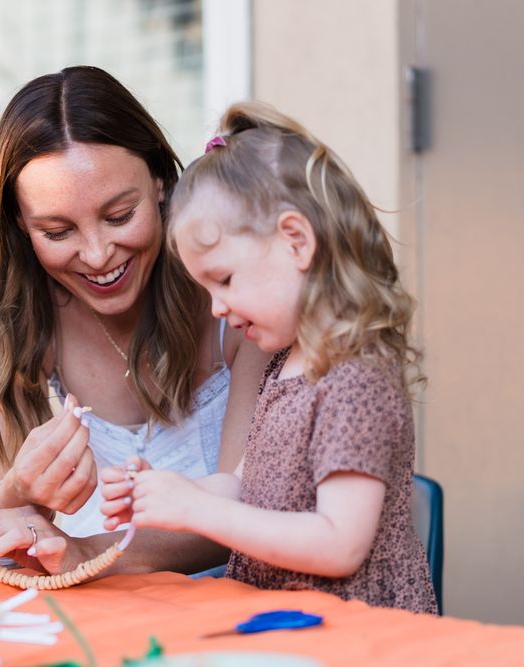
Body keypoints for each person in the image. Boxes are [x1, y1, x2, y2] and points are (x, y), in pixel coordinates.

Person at [100, 101, 438, 613]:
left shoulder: (355, 379)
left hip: (358, 633)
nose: (216, 308)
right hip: (290, 624)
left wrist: (196, 512)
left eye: (224, 279)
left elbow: (339, 543)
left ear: (296, 241)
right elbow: (241, 487)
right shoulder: (284, 366)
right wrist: (168, 493)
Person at [0, 66, 269, 572]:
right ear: (21, 224)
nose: (97, 254)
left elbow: (250, 512)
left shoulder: (235, 302)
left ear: (160, 182)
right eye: (57, 232)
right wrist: (19, 491)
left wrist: (89, 553)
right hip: (93, 609)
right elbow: (0, 523)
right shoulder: (16, 325)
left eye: (119, 216)